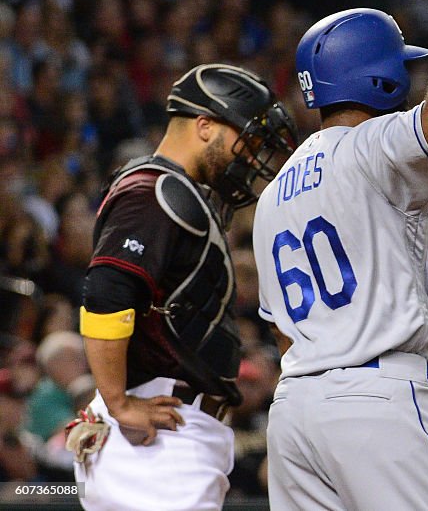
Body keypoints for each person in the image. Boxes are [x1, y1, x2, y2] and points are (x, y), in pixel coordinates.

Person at [253, 0, 428, 510]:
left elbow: (281, 334)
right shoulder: (370, 148)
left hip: (295, 410)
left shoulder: (273, 193)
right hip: (375, 398)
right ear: (381, 76)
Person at [72, 63, 297, 511]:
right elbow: (105, 293)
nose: (250, 157)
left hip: (165, 433)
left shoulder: (176, 192)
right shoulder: (155, 191)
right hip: (155, 432)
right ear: (205, 125)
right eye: (245, 141)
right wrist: (118, 402)